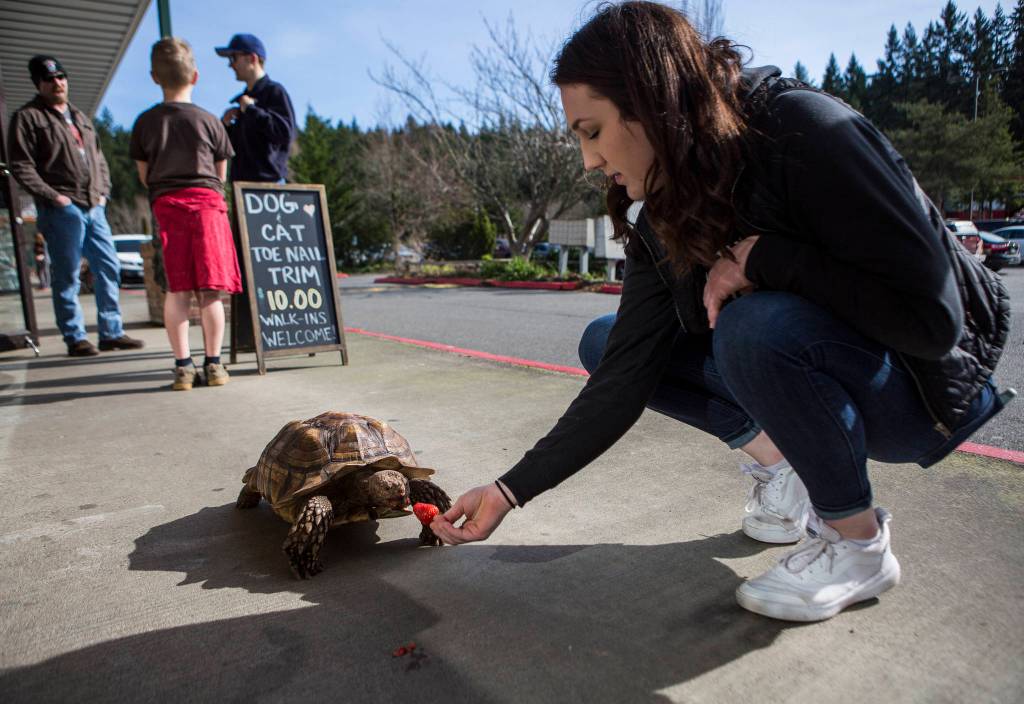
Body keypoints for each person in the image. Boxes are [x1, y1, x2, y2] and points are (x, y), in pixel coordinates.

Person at [430, 1, 1012, 623]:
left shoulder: (806, 129)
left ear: (650, 101)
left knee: (752, 326)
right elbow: (624, 377)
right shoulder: (666, 209)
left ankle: (857, 544)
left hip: (919, 396)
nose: (589, 161)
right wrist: (508, 491)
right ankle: (787, 465)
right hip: (820, 379)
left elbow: (933, 324)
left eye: (592, 131)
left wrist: (766, 260)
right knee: (606, 344)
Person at [8, 55, 144, 356]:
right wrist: (54, 197)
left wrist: (104, 193)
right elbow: (21, 166)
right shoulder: (28, 118)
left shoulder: (80, 117)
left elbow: (99, 160)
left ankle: (111, 331)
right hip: (62, 207)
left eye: (61, 77)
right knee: (67, 274)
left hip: (95, 205)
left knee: (108, 266)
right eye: (49, 80)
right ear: (38, 84)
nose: (57, 83)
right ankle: (75, 336)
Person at [130, 38, 242, 391]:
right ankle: (214, 364)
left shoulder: (145, 122)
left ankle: (182, 367)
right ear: (195, 75)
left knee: (176, 290)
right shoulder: (210, 121)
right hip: (207, 206)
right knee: (210, 291)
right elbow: (221, 173)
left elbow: (144, 175)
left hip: (168, 207)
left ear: (153, 77)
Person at [214, 33, 295, 183]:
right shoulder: (242, 102)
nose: (230, 65)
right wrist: (225, 127)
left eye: (234, 58)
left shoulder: (274, 92)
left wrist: (252, 110)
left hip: (270, 188)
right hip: (243, 188)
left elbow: (285, 134)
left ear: (252, 58)